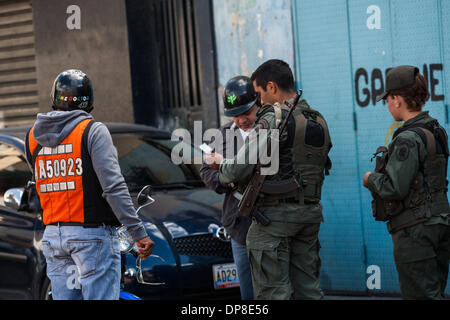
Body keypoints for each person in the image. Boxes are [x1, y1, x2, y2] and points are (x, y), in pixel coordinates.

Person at [206, 59, 332, 299]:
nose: (260, 101)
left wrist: (222, 163)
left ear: (272, 87)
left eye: (260, 93)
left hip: (275, 220)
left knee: (273, 293)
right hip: (309, 214)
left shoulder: (273, 117)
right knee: (308, 290)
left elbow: (236, 170)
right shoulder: (317, 118)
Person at [24, 69, 154, 300]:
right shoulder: (92, 131)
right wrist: (138, 232)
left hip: (54, 237)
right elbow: (113, 187)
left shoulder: (33, 136)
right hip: (91, 237)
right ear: (89, 101)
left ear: (54, 99)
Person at [363, 65, 450, 300]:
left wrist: (371, 179)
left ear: (397, 100)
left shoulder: (408, 138)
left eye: (388, 100)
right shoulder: (436, 130)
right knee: (435, 292)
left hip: (415, 229)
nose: (388, 106)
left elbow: (395, 187)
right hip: (440, 223)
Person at [200, 75, 257, 300]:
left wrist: (227, 166)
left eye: (245, 112)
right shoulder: (220, 136)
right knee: (248, 293)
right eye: (235, 115)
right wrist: (230, 178)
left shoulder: (269, 131)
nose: (241, 119)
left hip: (271, 220)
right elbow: (207, 173)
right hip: (238, 224)